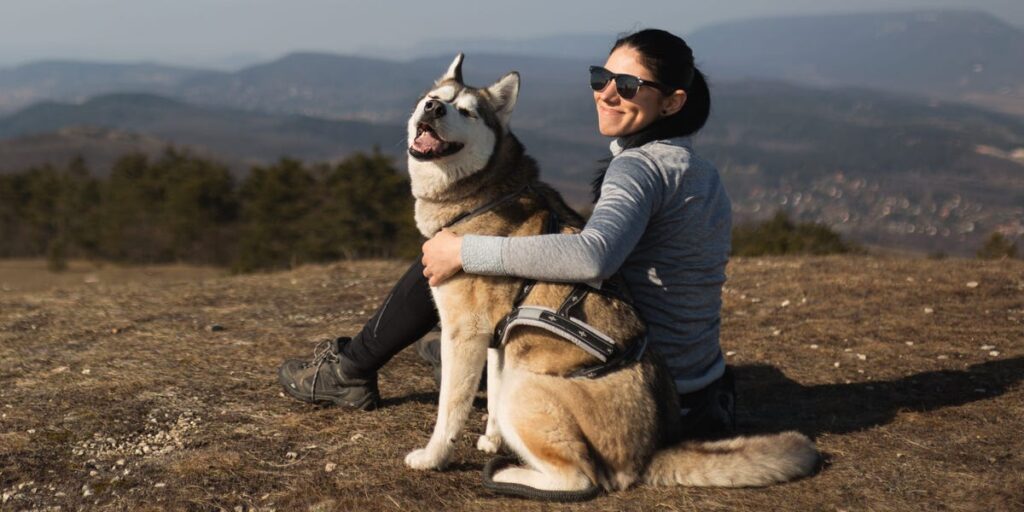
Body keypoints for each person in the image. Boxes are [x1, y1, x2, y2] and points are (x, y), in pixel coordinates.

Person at [278, 28, 736, 438]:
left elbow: (594, 256)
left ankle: (350, 371)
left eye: (630, 86)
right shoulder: (696, 168)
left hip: (636, 383)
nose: (608, 94)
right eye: (602, 78)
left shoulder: (637, 169)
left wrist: (467, 251)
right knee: (458, 264)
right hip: (705, 385)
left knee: (450, 255)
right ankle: (404, 361)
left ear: (674, 101)